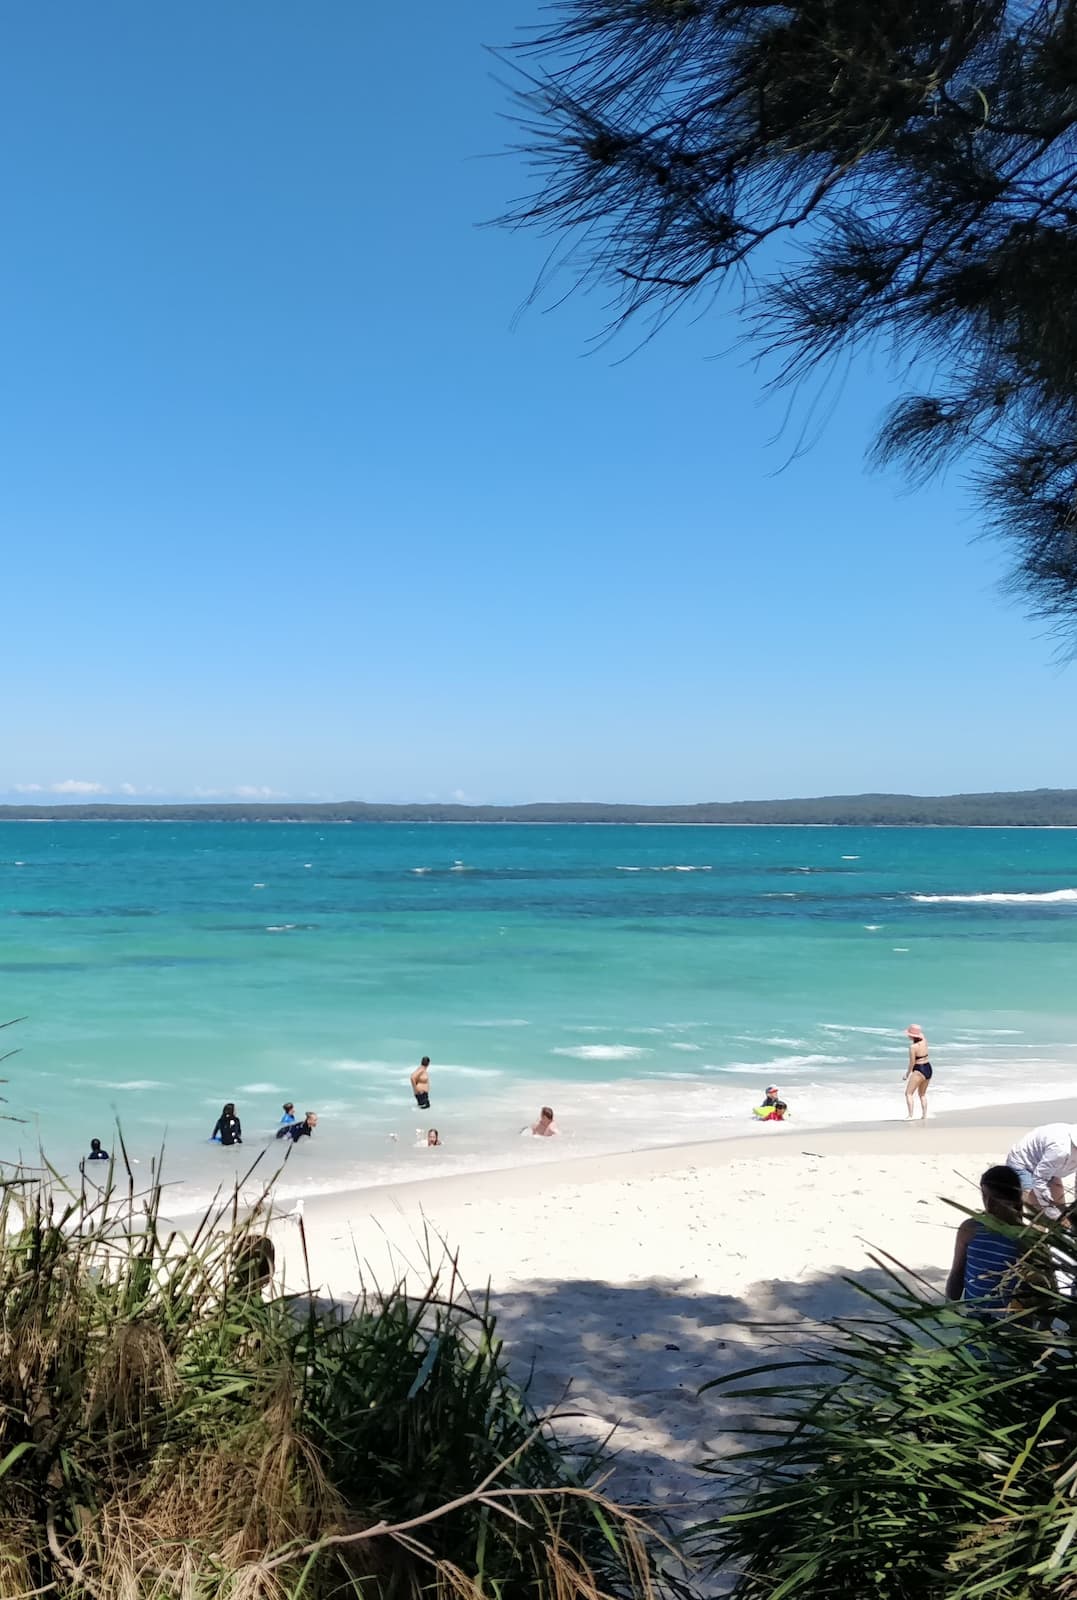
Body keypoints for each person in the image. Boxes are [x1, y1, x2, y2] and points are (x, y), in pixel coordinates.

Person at [945, 1165, 1042, 1318]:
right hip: (973, 1321)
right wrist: (951, 1309)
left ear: (1012, 1199)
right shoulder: (970, 1229)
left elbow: (1043, 1289)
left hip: (1012, 1325)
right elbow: (957, 1273)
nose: (989, 1205)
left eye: (996, 1199)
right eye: (984, 1196)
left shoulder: (1028, 1238)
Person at [1005, 1123, 1077, 1219]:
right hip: (1025, 1164)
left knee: (1063, 1213)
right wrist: (1051, 1212)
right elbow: (1039, 1180)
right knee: (1041, 1215)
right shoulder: (1060, 1151)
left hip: (1050, 1166)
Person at [903, 1024, 933, 1119]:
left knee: (908, 1093)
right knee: (922, 1094)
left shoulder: (913, 1047)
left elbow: (912, 1062)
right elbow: (921, 1034)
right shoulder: (924, 1041)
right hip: (928, 1067)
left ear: (911, 1035)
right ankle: (924, 1115)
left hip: (919, 1068)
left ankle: (910, 1115)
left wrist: (907, 1074)